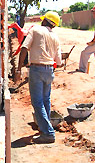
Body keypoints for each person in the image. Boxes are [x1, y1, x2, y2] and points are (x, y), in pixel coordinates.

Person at [15, 11, 62, 144]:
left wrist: (19, 68)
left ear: (45, 20)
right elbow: (59, 62)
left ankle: (48, 133)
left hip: (37, 69)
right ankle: (44, 128)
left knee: (37, 102)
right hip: (49, 70)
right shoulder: (55, 37)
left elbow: (24, 48)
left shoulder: (35, 30)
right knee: (45, 100)